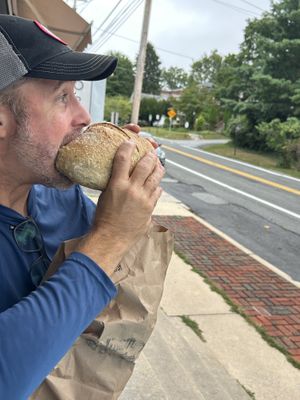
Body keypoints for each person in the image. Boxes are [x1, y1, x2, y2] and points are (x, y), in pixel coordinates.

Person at [0, 15, 164, 399]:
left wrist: (128, 197)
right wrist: (108, 237)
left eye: (76, 94)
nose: (84, 117)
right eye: (62, 97)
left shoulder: (62, 195)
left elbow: (115, 283)